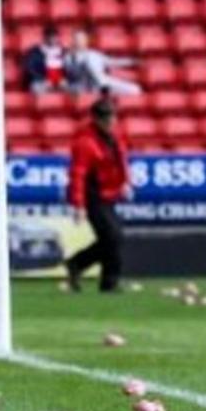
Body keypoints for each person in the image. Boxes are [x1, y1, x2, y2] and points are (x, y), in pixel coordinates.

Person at [64, 96, 129, 294]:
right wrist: (80, 205)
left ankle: (77, 263)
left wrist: (124, 183)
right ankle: (109, 282)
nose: (110, 121)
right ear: (96, 119)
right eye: (105, 118)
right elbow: (78, 175)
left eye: (112, 117)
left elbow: (120, 162)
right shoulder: (85, 143)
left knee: (113, 237)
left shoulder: (113, 138)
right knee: (112, 236)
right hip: (92, 195)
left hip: (108, 194)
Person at [64, 30, 141, 96]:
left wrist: (132, 61)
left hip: (103, 83)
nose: (79, 41)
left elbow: (112, 62)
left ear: (86, 40)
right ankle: (102, 86)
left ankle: (103, 87)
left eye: (82, 39)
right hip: (83, 86)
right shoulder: (69, 57)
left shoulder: (94, 54)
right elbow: (71, 74)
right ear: (73, 41)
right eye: (77, 39)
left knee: (135, 89)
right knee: (88, 62)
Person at [22, 26, 67, 94]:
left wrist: (63, 78)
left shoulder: (64, 52)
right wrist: (43, 79)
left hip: (60, 82)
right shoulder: (35, 52)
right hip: (41, 82)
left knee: (72, 89)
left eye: (54, 37)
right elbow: (30, 68)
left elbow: (68, 69)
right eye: (50, 36)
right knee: (36, 88)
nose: (52, 39)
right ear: (45, 37)